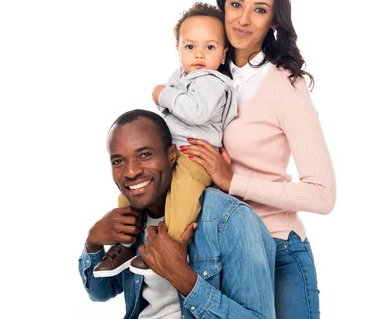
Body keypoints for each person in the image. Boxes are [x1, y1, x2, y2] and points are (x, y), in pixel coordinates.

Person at [183, 0, 336, 319]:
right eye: (236, 5)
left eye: (260, 10)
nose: (244, 19)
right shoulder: (204, 70)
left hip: (278, 246)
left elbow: (323, 195)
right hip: (216, 250)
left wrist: (233, 182)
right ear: (222, 7)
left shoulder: (285, 85)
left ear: (274, 22)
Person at [78, 109, 276, 319]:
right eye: (118, 161)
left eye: (145, 155)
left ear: (171, 155)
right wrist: (93, 243)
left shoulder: (229, 218)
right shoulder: (131, 220)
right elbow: (101, 292)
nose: (131, 171)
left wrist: (184, 279)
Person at [92, 3, 237, 277]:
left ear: (223, 54)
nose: (199, 55)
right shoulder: (181, 76)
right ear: (178, 49)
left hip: (195, 157)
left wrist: (163, 96)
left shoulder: (212, 81)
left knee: (183, 194)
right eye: (190, 47)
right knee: (132, 193)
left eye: (210, 47)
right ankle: (125, 244)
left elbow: (196, 112)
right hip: (172, 153)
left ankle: (167, 245)